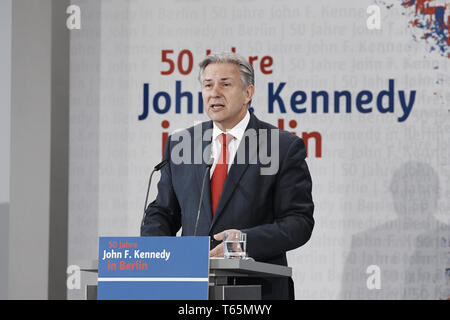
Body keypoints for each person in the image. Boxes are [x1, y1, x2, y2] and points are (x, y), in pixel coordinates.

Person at [141, 52, 314, 299]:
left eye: (225, 84)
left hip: (257, 292)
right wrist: (158, 253)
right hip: (191, 291)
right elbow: (162, 212)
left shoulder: (281, 146)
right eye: (208, 85)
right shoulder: (182, 144)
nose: (214, 93)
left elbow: (299, 222)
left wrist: (243, 243)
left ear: (248, 93)